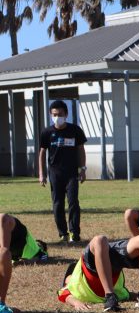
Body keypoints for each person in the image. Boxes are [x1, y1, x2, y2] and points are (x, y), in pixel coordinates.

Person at [58, 234, 139, 312]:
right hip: (112, 266)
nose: (69, 278)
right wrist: (76, 302)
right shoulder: (73, 289)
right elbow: (128, 295)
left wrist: (75, 302)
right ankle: (111, 296)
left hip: (91, 263)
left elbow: (63, 294)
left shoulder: (72, 284)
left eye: (69, 275)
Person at [37, 99, 88, 243]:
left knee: (73, 202)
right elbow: (42, 152)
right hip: (55, 173)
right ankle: (62, 234)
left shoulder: (75, 130)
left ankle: (74, 233)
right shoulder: (47, 132)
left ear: (66, 114)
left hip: (71, 173)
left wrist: (83, 169)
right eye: (54, 114)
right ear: (50, 115)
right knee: (57, 204)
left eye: (59, 114)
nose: (57, 117)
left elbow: (81, 150)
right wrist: (42, 174)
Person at [1, 213, 49, 313]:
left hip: (21, 251)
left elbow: (43, 256)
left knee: (4, 253)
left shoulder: (37, 250)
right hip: (17, 251)